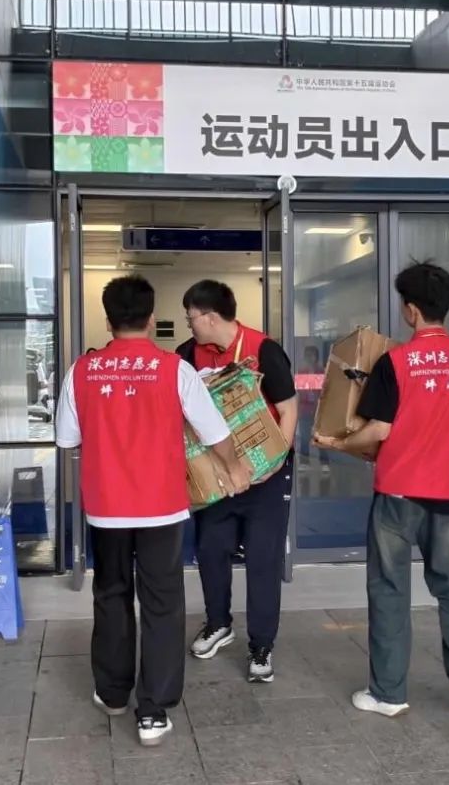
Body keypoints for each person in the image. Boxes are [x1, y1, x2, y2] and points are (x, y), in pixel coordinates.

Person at [55, 276, 251, 746]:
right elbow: (214, 431)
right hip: (162, 508)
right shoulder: (175, 370)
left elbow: (66, 439)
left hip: (106, 509)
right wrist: (235, 467)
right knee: (162, 603)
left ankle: (113, 693)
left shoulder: (82, 371)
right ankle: (153, 710)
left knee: (111, 596)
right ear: (150, 319)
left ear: (108, 320)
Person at [314, 261, 449, 717]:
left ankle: (388, 693)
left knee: (390, 588)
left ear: (411, 310)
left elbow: (378, 429)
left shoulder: (395, 361)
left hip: (399, 492)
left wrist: (338, 444)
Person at [176, 280, 297, 683]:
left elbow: (288, 408)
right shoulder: (186, 355)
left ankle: (261, 644)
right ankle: (218, 623)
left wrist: (275, 461)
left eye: (191, 318)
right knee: (211, 550)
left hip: (265, 476)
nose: (189, 325)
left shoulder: (263, 349)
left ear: (210, 317)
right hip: (217, 478)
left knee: (263, 559)